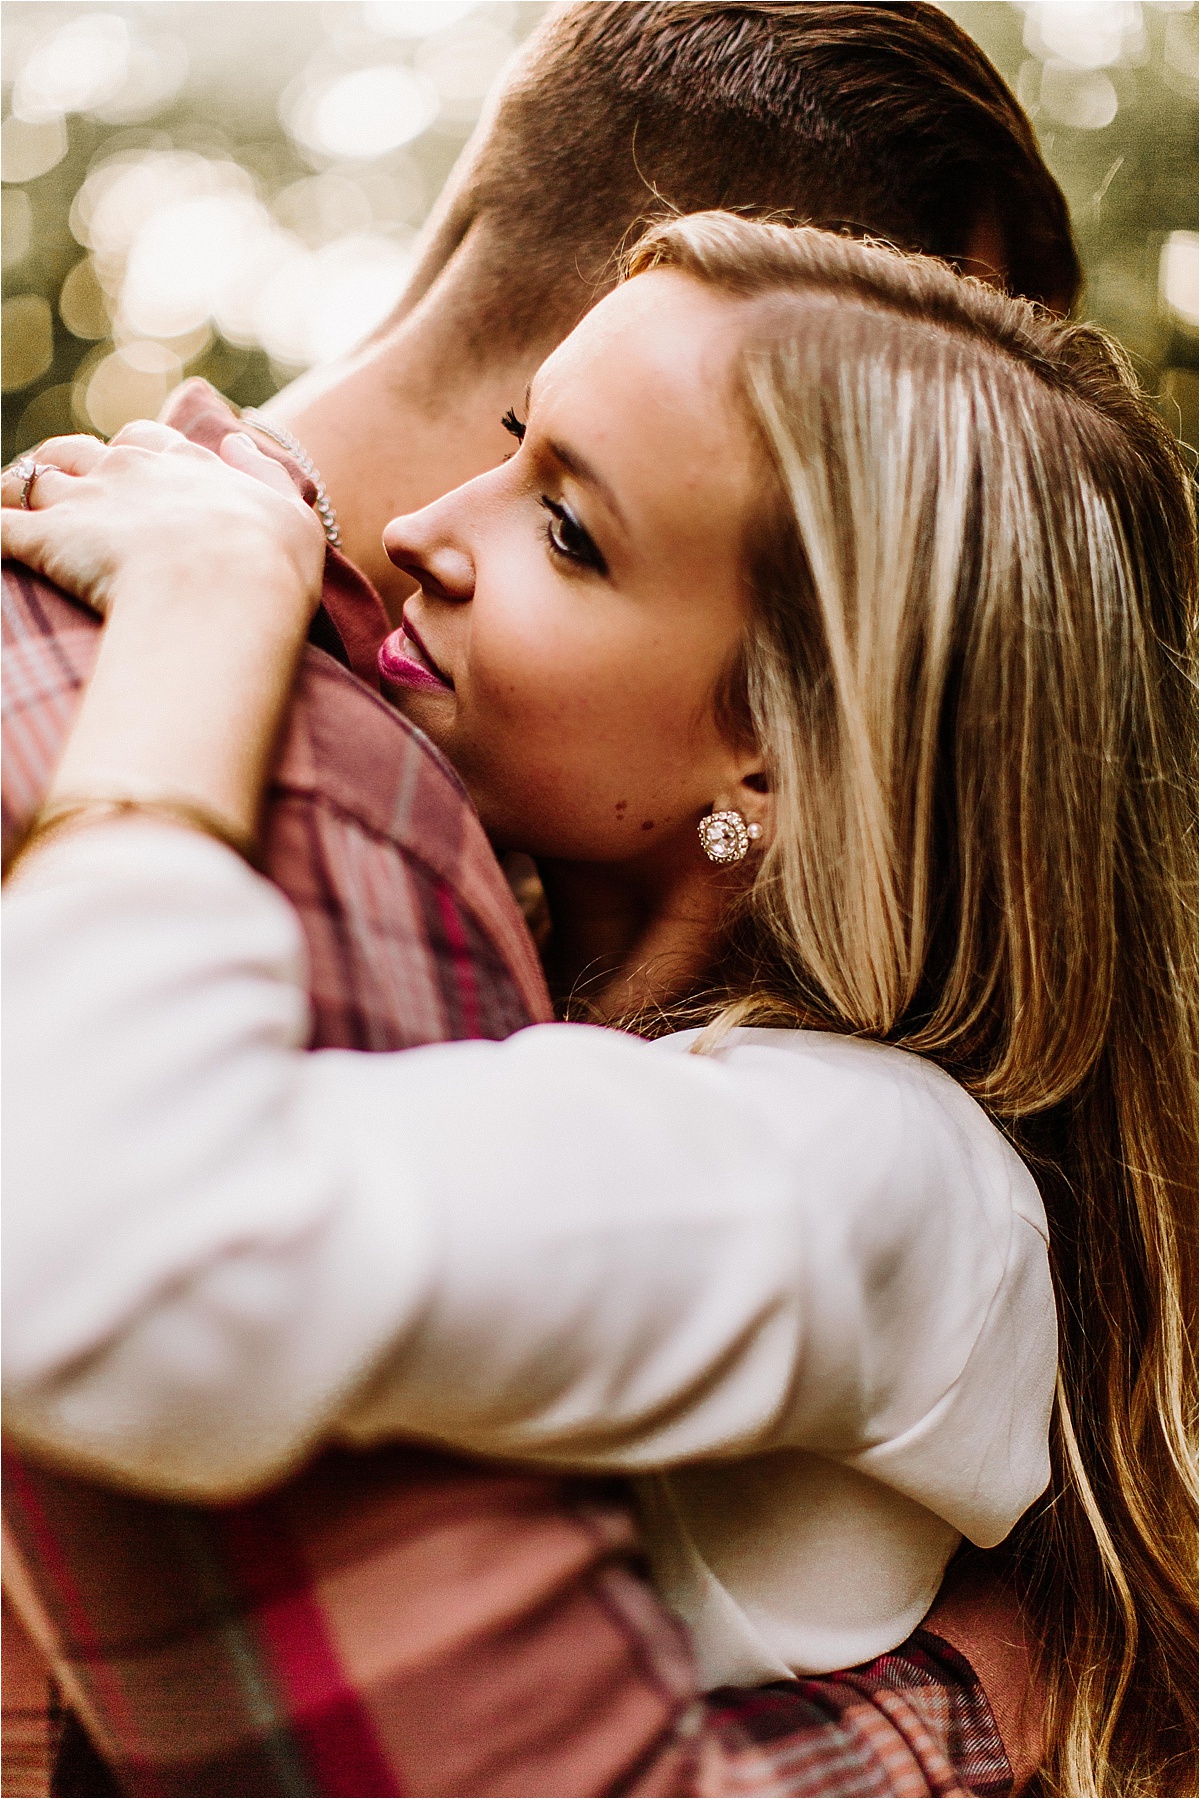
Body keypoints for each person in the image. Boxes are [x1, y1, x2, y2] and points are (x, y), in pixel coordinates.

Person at [1, 6, 1086, 1793]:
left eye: (571, 518)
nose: (431, 528)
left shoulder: (862, 1155)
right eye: (520, 445)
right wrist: (953, 1723)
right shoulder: (319, 788)